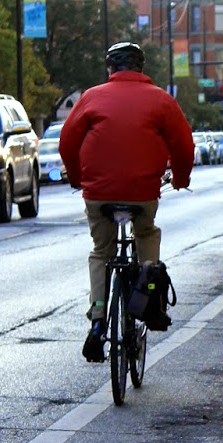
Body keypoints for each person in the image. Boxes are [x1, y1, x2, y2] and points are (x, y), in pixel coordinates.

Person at [59, 41, 195, 362]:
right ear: (141, 69)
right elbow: (183, 145)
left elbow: (67, 142)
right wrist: (180, 180)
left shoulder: (91, 97)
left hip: (99, 193)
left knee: (101, 252)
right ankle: (152, 303)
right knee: (146, 233)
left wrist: (78, 178)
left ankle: (97, 321)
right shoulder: (161, 100)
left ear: (110, 69)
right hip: (142, 192)